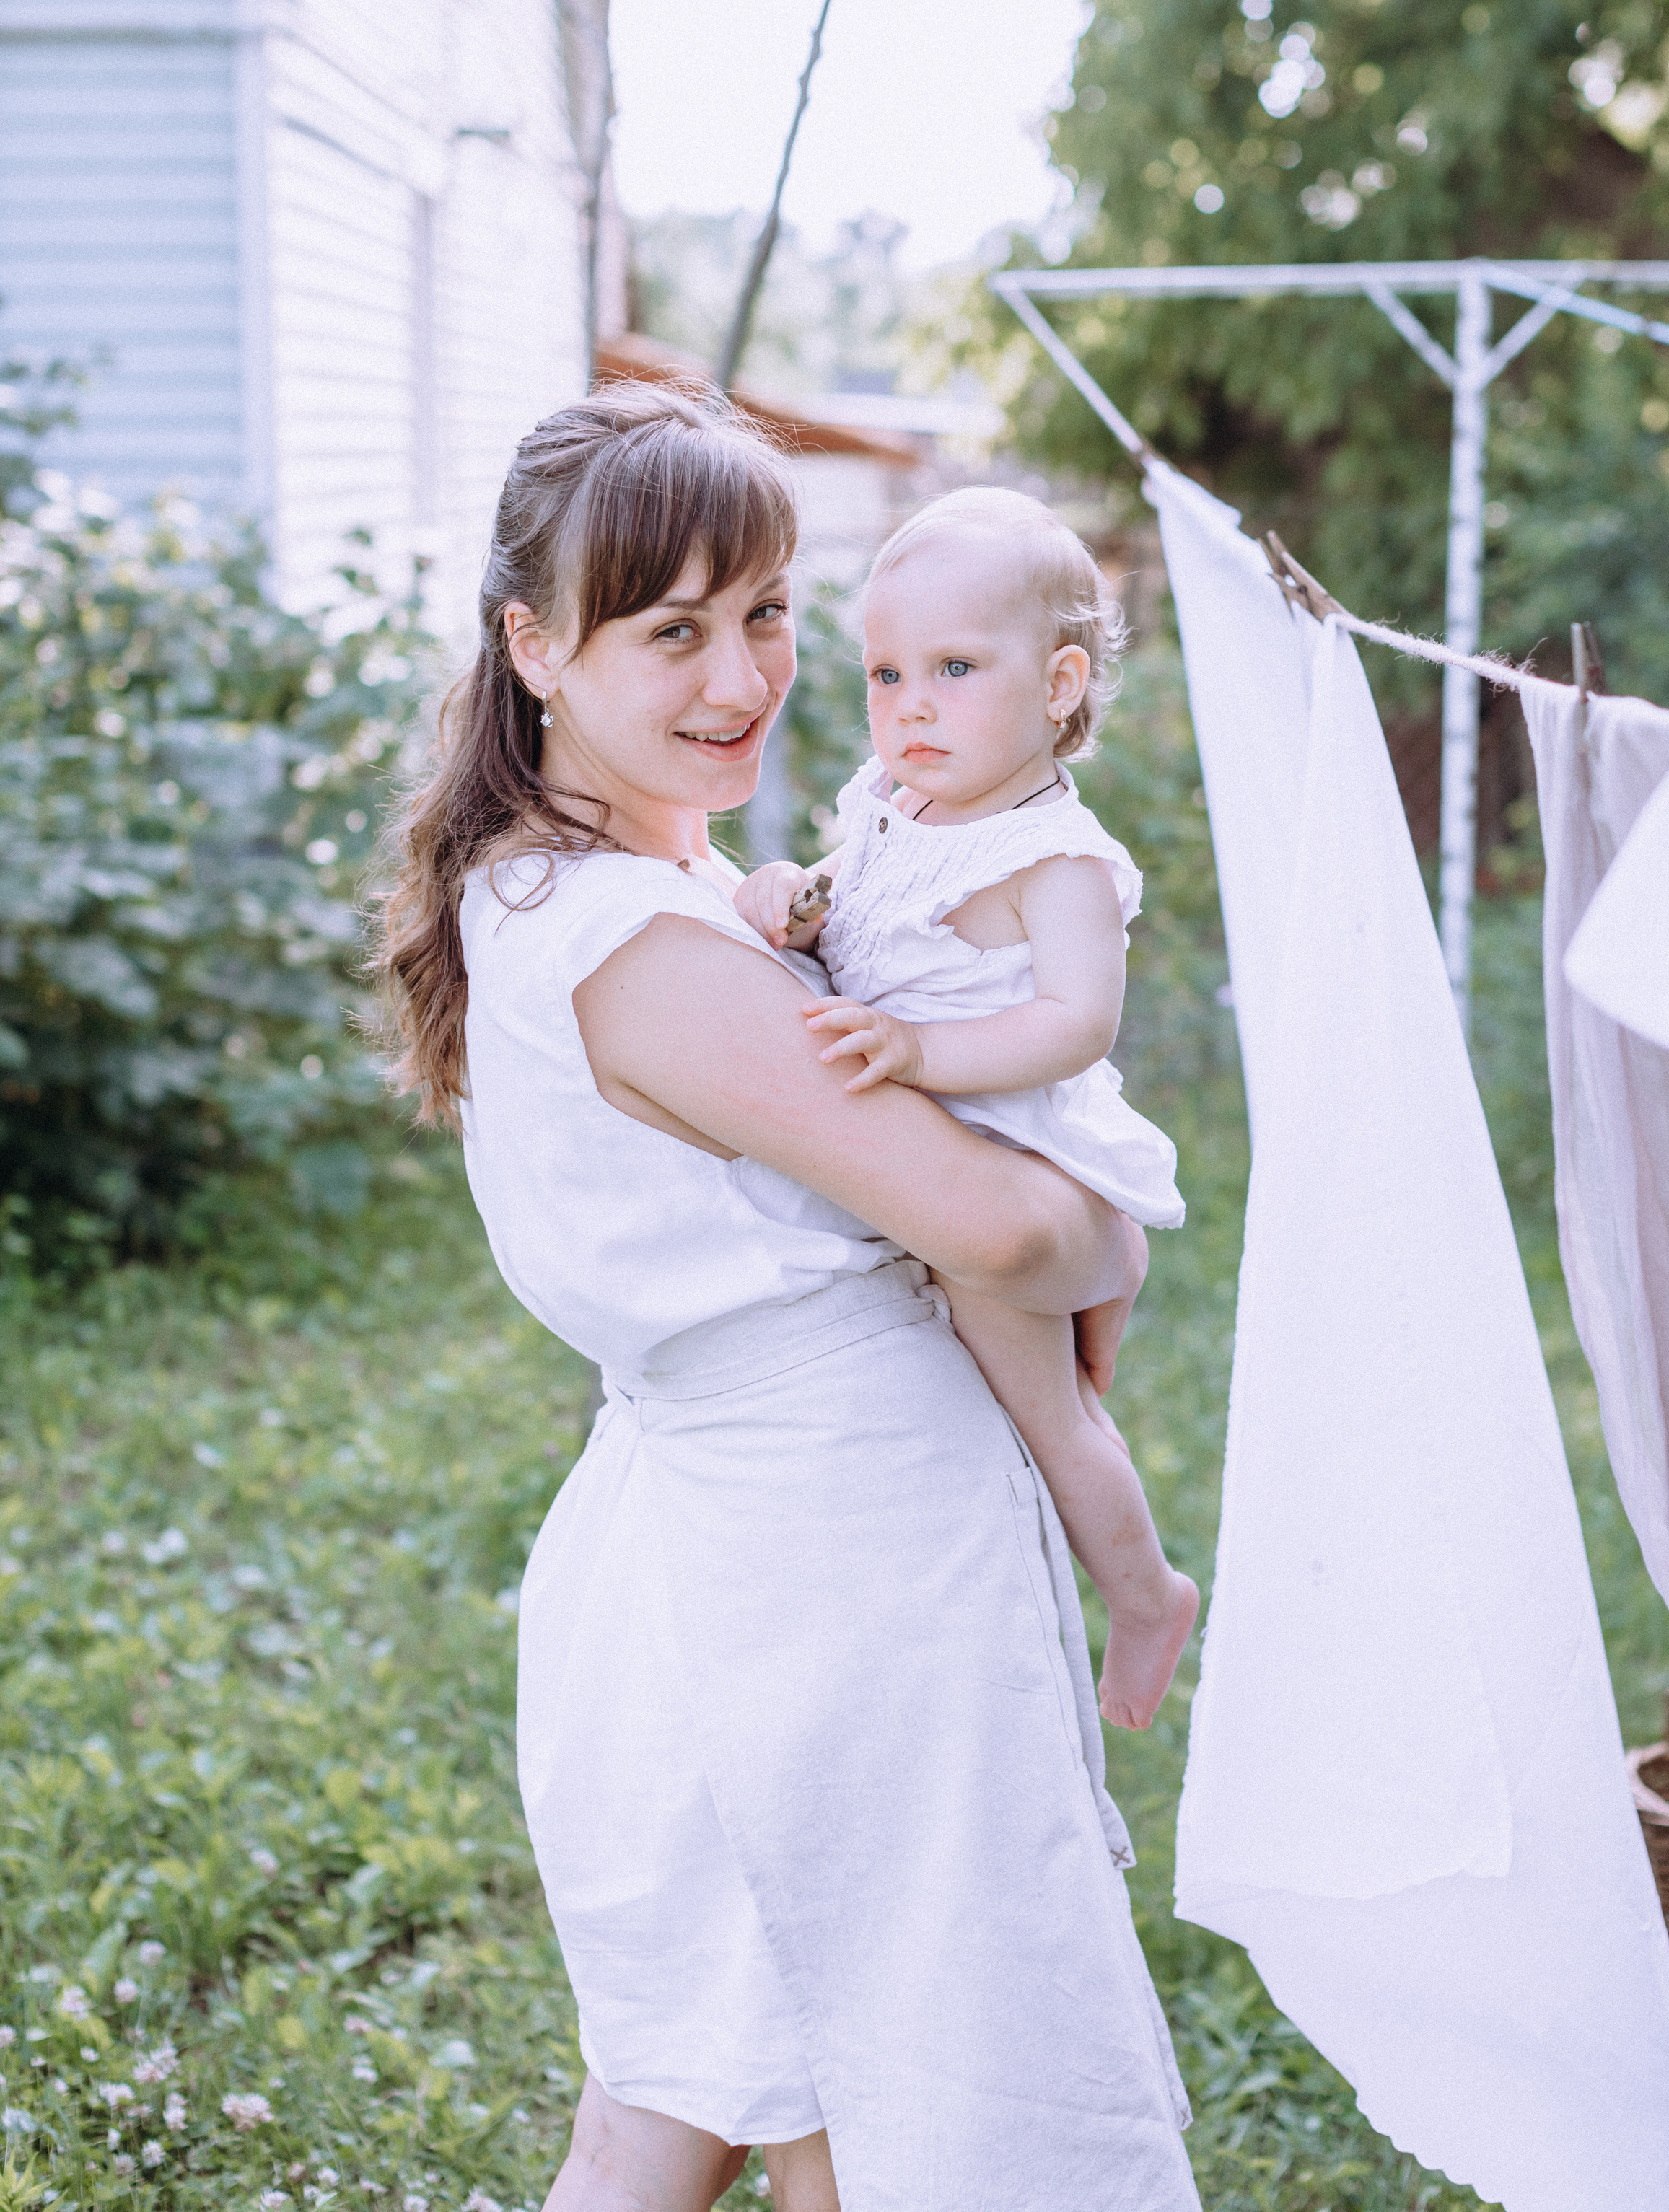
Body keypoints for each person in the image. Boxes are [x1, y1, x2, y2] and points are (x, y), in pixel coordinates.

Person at [372, 390, 1200, 2212]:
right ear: (534, 649)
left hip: (781, 1555)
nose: (740, 676)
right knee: (888, 2101)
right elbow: (996, 1231)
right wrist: (1109, 1246)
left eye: (763, 613)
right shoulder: (637, 942)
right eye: (670, 631)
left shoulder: (640, 878)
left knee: (727, 2094)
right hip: (816, 1572)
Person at [735, 488, 1199, 1732]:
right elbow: (853, 897)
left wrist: (918, 1048)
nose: (912, 706)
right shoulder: (893, 806)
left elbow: (1074, 1024)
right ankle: (1108, 1291)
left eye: (952, 667)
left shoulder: (1055, 860)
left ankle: (1147, 1594)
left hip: (1010, 1145)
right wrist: (793, 897)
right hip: (935, 1138)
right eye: (887, 674)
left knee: (1047, 1411)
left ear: (1057, 687)